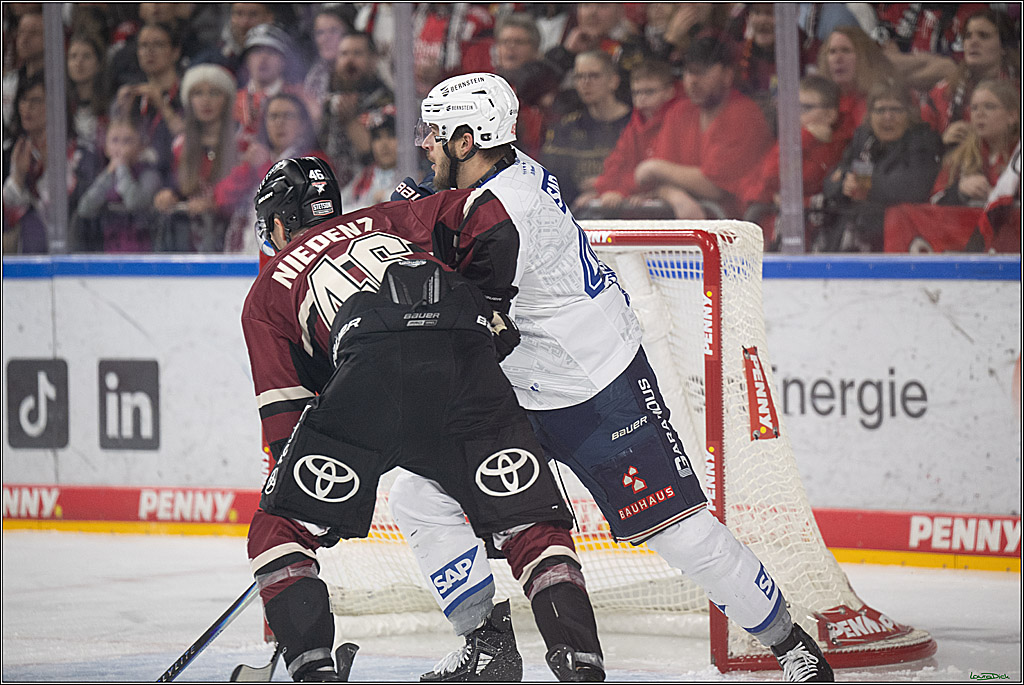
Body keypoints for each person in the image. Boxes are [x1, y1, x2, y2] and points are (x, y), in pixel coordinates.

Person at [392, 71, 835, 682]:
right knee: (418, 494)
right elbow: (453, 218)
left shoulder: (502, 216)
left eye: (436, 134)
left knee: (680, 534)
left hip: (595, 387)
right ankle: (485, 643)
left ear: (468, 142)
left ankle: (792, 646)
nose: (426, 145)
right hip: (521, 387)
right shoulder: (497, 174)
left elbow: (479, 324)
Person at [241, 156, 605, 682]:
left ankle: (314, 671)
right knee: (530, 524)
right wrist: (488, 304)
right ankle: (581, 665)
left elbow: (284, 417)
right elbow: (490, 217)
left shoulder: (268, 287)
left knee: (278, 530)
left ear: (277, 224)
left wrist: (303, 505)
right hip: (465, 353)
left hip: (371, 367)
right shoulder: (389, 217)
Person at [630, 35, 774, 219]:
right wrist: (676, 197)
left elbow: (715, 187)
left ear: (728, 75)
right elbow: (653, 182)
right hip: (692, 236)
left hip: (743, 232)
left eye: (702, 72)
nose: (693, 80)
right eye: (689, 72)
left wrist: (656, 168)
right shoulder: (680, 112)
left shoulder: (744, 114)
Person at [820, 78, 943, 252]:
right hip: (853, 235)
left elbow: (913, 187)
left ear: (910, 113)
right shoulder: (864, 139)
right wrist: (845, 184)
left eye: (895, 110)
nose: (887, 117)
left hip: (900, 238)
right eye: (880, 110)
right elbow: (832, 181)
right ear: (870, 114)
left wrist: (863, 184)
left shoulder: (921, 140)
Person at [741, 75, 847, 249]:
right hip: (774, 237)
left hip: (822, 237)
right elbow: (771, 176)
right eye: (795, 107)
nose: (797, 114)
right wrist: (805, 137)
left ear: (830, 115)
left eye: (806, 108)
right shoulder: (795, 141)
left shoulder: (839, 147)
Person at [154, 63, 240, 252]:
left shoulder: (242, 144)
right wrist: (168, 194)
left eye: (214, 93)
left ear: (227, 100)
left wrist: (215, 204)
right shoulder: (179, 146)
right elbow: (173, 184)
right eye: (198, 93)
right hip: (187, 243)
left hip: (230, 241)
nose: (205, 101)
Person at [577, 59, 681, 216]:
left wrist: (621, 192)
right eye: (636, 93)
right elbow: (618, 161)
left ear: (669, 91)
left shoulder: (677, 119)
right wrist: (602, 188)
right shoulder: (635, 123)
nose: (641, 98)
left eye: (649, 92)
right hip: (640, 197)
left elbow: (657, 171)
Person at [540, 50, 631, 209]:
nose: (585, 83)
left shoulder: (634, 124)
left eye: (594, 76)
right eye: (579, 77)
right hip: (578, 214)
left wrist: (601, 188)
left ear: (613, 81)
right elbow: (551, 180)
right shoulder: (566, 127)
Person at [919, 9, 1020, 149]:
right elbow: (920, 145)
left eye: (983, 36)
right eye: (968, 36)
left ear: (1003, 46)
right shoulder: (942, 92)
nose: (973, 42)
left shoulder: (1018, 91)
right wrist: (941, 142)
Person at [74, 116, 161, 253]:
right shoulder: (102, 175)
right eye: (115, 141)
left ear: (139, 147)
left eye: (127, 141)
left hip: (143, 254)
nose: (120, 147)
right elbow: (85, 209)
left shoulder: (149, 174)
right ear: (106, 148)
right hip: (108, 254)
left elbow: (135, 203)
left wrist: (121, 168)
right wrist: (108, 174)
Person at [318, 31, 393, 187]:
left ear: (373, 59)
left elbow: (378, 155)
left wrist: (350, 120)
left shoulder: (386, 102)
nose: (349, 60)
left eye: (357, 53)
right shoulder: (327, 102)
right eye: (344, 54)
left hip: (374, 190)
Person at [931, 79, 1020, 207]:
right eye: (974, 108)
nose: (979, 114)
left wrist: (1000, 196)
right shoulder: (957, 157)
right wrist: (959, 190)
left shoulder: (1018, 155)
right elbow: (932, 207)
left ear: (1013, 116)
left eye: (989, 107)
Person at [815, 26, 894, 147]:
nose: (838, 58)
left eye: (846, 50)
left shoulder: (880, 101)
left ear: (864, 57)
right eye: (832, 52)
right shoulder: (819, 100)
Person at [339, 109, 398, 212]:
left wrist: (387, 196)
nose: (384, 144)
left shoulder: (414, 174)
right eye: (377, 138)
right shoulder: (364, 177)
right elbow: (339, 204)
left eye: (391, 136)